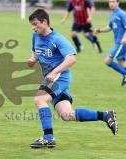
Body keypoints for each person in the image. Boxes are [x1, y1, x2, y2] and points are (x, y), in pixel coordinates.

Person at [27, 9, 117, 148]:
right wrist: (32, 60)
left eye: (35, 24)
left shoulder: (57, 39)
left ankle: (48, 138)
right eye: (32, 25)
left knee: (40, 99)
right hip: (52, 79)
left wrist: (54, 71)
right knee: (67, 115)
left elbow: (72, 59)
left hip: (59, 78)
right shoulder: (35, 36)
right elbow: (36, 52)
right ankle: (105, 115)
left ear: (44, 22)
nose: (33, 28)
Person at [95, 0, 126, 86]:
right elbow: (110, 27)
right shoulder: (112, 14)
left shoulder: (121, 14)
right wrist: (99, 30)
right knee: (121, 61)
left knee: (107, 61)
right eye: (110, 2)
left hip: (121, 43)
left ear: (118, 3)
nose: (111, 4)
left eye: (113, 1)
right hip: (118, 42)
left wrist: (124, 38)